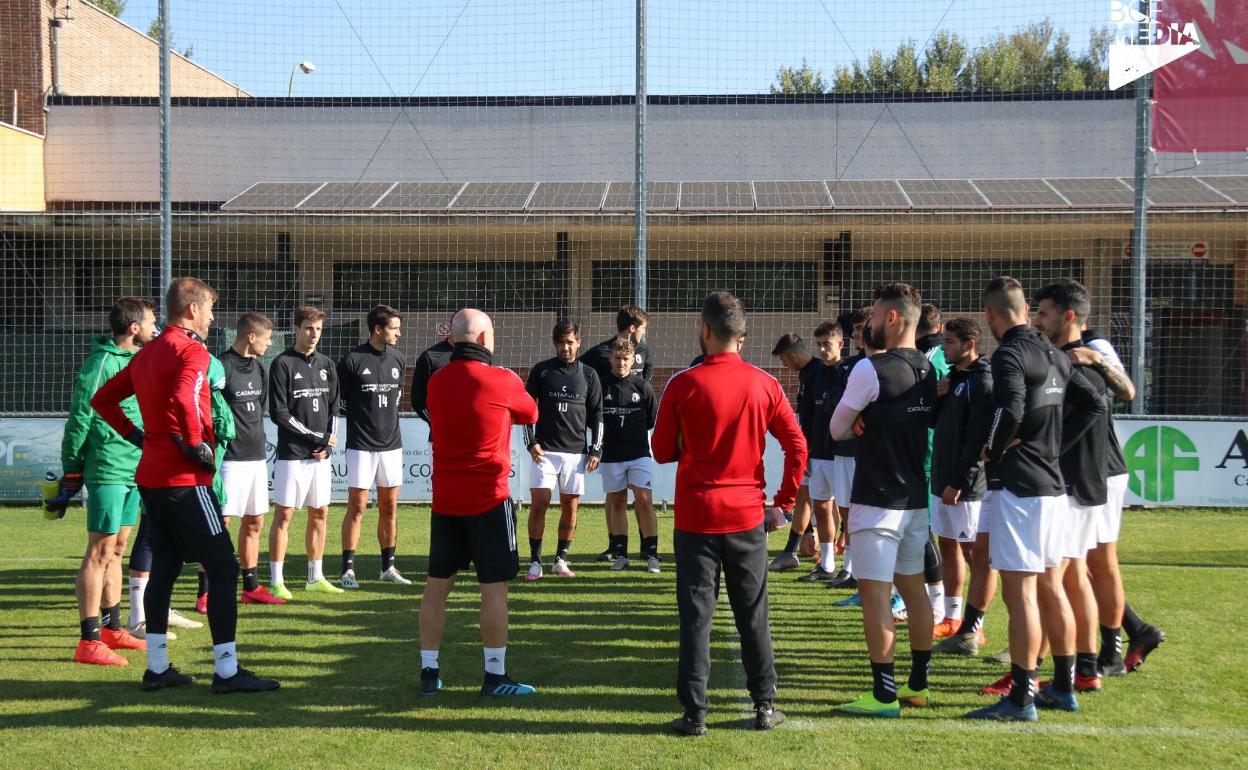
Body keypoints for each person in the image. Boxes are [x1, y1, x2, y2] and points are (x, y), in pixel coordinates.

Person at [92, 277, 278, 693]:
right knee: (225, 567)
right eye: (210, 307)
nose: (214, 316)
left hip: (153, 478)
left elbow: (102, 400)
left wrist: (138, 436)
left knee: (168, 564)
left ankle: (157, 667)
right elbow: (181, 395)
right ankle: (227, 671)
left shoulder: (146, 352)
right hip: (184, 478)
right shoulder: (191, 350)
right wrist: (194, 444)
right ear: (192, 309)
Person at [653, 291, 807, 736]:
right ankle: (764, 705)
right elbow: (797, 445)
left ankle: (695, 714)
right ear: (743, 336)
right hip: (746, 517)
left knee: (697, 617)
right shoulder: (765, 384)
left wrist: (690, 442)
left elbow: (661, 451)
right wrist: (783, 503)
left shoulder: (683, 384)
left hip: (697, 517)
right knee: (752, 614)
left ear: (704, 330)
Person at [965, 276, 1104, 722]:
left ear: (990, 316)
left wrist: (994, 446)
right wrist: (1053, 445)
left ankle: (1022, 697)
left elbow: (1011, 408)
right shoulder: (1053, 352)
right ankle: (1063, 687)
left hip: (1021, 489)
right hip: (1053, 488)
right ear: (1026, 310)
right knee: (1049, 585)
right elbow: (1096, 402)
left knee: (1021, 593)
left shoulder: (1009, 353)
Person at [828, 283, 938, 718]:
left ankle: (884, 694)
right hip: (914, 498)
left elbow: (837, 428)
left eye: (873, 316)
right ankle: (919, 685)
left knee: (875, 596)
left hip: (876, 499)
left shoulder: (870, 369)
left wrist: (859, 420)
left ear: (891, 319)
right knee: (914, 590)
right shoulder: (932, 371)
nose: (868, 324)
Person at [419, 308, 539, 698]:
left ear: (453, 340)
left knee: (436, 589)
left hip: (446, 501)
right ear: (485, 340)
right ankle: (494, 676)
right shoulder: (502, 380)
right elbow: (530, 411)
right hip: (490, 498)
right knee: (494, 589)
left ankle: (429, 672)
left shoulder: (437, 381)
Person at [60, 297, 157, 665]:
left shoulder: (138, 361)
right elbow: (78, 421)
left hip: (134, 468)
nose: (154, 328)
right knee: (99, 551)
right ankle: (87, 641)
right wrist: (71, 471)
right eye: (150, 322)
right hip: (107, 470)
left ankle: (112, 628)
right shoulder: (98, 365)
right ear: (134, 328)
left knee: (118, 548)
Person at [1031, 280, 1112, 710]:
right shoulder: (1068, 358)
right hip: (1078, 482)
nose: (1036, 319)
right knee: (1073, 577)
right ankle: (1086, 667)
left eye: (1043, 313)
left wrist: (1052, 450)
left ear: (1068, 317)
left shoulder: (1080, 361)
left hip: (1072, 482)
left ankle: (1048, 670)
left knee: (1052, 579)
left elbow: (1102, 402)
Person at [1074, 328, 1166, 674]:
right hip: (1079, 469)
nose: (1036, 318)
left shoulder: (1094, 343)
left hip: (1101, 469)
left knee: (1096, 562)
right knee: (1075, 565)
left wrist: (1097, 359)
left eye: (1041, 311)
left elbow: (1127, 390)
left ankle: (1111, 653)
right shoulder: (1047, 346)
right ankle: (1136, 632)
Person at [268, 306, 342, 598]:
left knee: (320, 512)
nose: (314, 335)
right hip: (292, 455)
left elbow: (335, 406)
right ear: (296, 329)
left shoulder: (326, 363)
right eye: (309, 328)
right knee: (284, 515)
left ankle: (315, 576)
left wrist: (326, 443)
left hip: (320, 456)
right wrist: (317, 437)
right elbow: (280, 413)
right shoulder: (282, 364)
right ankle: (277, 579)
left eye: (319, 329)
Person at [929, 317, 994, 644]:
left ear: (970, 345)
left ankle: (975, 625)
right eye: (944, 341)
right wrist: (938, 397)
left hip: (965, 486)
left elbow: (978, 440)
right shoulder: (953, 378)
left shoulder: (983, 381)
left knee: (975, 555)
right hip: (943, 479)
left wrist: (960, 481)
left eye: (950, 342)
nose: (944, 347)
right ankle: (952, 618)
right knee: (949, 548)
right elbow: (934, 424)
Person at [523, 320, 603, 580]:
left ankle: (561, 559)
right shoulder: (542, 371)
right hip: (544, 452)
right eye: (561, 342)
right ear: (554, 343)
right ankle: (535, 562)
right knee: (540, 503)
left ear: (578, 342)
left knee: (571, 506)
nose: (565, 347)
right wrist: (531, 441)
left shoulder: (589, 375)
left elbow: (597, 415)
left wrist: (595, 449)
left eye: (570, 342)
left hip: (576, 453)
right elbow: (526, 410)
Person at [337, 305, 410, 589]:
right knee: (357, 507)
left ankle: (388, 568)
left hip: (391, 446)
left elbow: (395, 398)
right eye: (394, 328)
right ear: (378, 329)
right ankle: (347, 571)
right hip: (360, 446)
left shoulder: (399, 359)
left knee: (389, 507)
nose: (398, 333)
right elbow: (340, 403)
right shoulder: (352, 359)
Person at [579, 304, 653, 561]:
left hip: (636, 435)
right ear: (632, 328)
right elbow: (580, 372)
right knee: (615, 497)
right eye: (642, 330)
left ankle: (647, 546)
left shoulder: (642, 350)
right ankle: (615, 546)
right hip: (610, 435)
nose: (643, 335)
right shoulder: (601, 352)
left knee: (642, 496)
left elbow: (647, 375)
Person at [219, 312, 283, 605]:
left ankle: (251, 587)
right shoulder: (221, 366)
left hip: (256, 457)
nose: (270, 344)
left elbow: (258, 408)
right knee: (221, 523)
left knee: (255, 521)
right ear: (251, 337)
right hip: (229, 459)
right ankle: (207, 591)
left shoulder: (259, 369)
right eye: (268, 339)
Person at [598, 338, 660, 572]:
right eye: (617, 358)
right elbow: (595, 419)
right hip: (611, 454)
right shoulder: (601, 385)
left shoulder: (642, 386)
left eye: (625, 359)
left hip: (638, 453)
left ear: (633, 359)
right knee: (617, 503)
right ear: (610, 359)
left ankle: (652, 553)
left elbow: (653, 420)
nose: (621, 363)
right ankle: (621, 555)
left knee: (644, 500)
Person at [767, 333, 821, 577]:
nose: (784, 366)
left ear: (793, 356)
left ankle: (832, 557)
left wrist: (809, 449)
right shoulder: (807, 374)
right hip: (812, 450)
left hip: (823, 451)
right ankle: (798, 548)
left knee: (831, 505)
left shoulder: (819, 372)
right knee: (806, 496)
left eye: (784, 361)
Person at [827, 308, 871, 595]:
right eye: (853, 329)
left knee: (862, 513)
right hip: (843, 448)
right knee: (847, 511)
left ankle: (862, 574)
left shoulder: (881, 364)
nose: (854, 334)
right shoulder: (851, 365)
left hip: (865, 452)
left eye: (858, 329)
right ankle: (850, 569)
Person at [917, 303, 951, 625]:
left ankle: (939, 605)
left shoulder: (926, 359)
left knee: (925, 530)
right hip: (937, 450)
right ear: (939, 329)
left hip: (925, 452)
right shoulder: (942, 358)